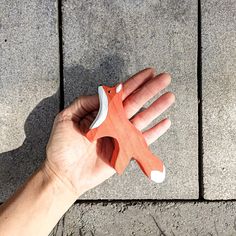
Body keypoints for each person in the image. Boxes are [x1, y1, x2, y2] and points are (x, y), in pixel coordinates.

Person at [0, 68, 175, 235]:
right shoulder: (109, 114)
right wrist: (59, 177)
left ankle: (143, 162)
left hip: (125, 140)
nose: (104, 92)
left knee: (128, 150)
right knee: (124, 149)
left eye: (108, 93)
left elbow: (99, 128)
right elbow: (99, 129)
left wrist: (58, 178)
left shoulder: (111, 114)